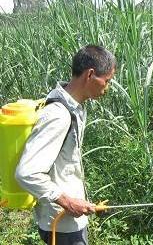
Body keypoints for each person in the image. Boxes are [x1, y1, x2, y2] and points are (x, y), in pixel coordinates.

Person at [15, 45, 116, 245]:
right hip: (61, 226)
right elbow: (26, 172)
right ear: (90, 75)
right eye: (107, 81)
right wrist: (68, 201)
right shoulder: (58, 115)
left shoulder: (73, 106)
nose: (107, 88)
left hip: (68, 221)